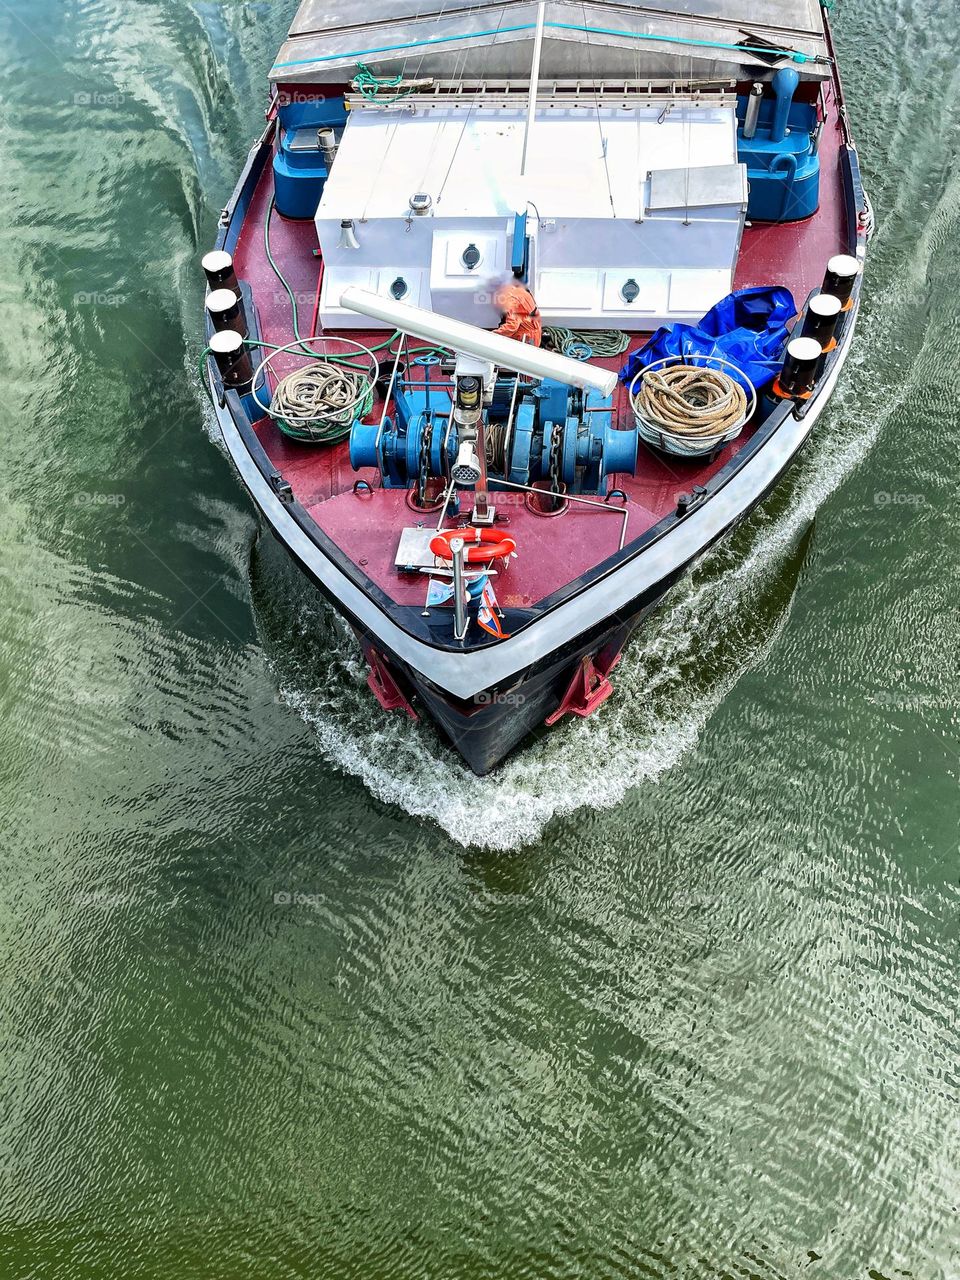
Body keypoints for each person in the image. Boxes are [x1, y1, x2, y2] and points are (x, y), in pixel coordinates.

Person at [493, 279, 542, 347]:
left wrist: (492, 335)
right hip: (534, 332)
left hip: (527, 339)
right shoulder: (517, 289)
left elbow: (511, 327)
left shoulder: (511, 301)